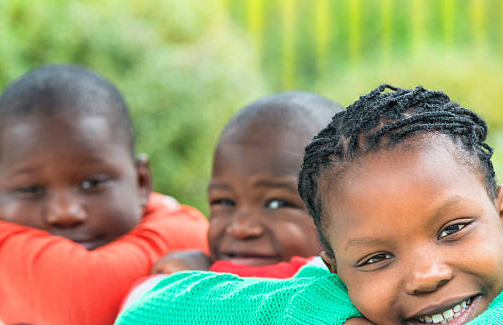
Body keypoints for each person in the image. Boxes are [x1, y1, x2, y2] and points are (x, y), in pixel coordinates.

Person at [110, 85, 503, 325]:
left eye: (452, 229)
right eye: (377, 258)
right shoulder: (339, 298)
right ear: (335, 269)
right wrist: (308, 319)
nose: (427, 275)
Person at [0, 64, 208, 325]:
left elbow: (81, 298)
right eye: (31, 190)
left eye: (93, 183)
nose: (65, 212)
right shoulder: (2, 258)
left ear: (141, 183)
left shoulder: (182, 231)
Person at [120, 91, 342, 308]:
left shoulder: (341, 282)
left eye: (277, 204)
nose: (240, 228)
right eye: (225, 202)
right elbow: (134, 308)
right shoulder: (208, 268)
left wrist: (197, 281)